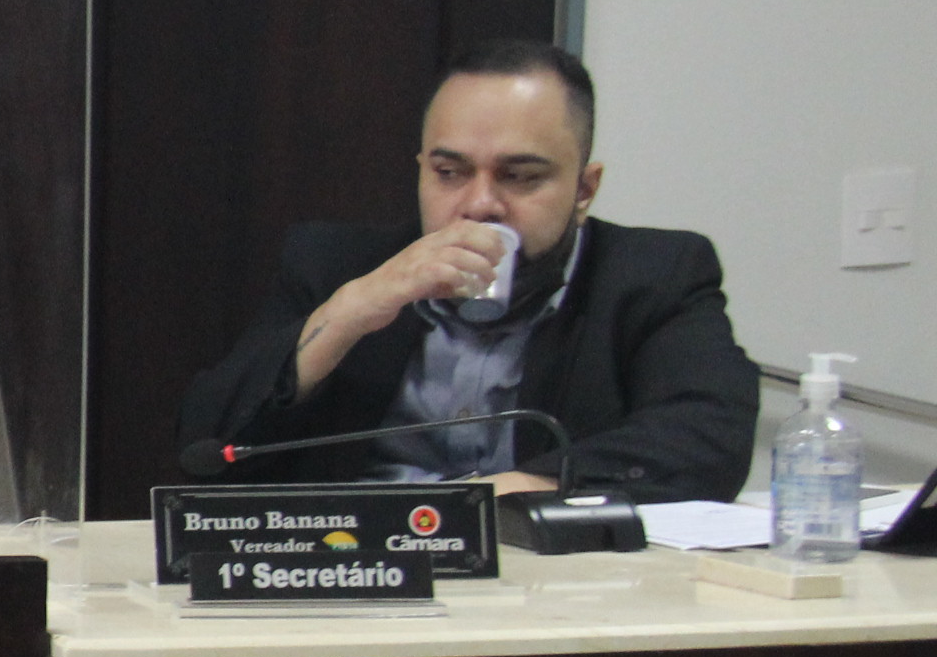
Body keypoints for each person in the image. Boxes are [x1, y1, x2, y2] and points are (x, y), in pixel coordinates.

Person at [179, 39, 757, 502]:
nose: (480, 205)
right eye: (450, 173)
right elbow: (204, 445)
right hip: (359, 564)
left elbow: (708, 438)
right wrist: (351, 312)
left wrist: (528, 487)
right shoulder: (335, 264)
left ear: (584, 189)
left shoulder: (654, 275)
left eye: (520, 176)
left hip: (542, 573)